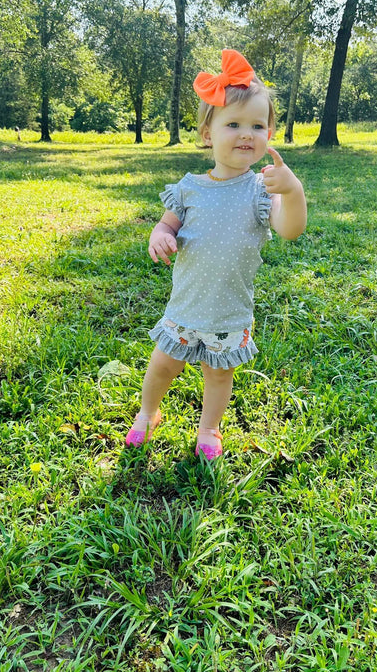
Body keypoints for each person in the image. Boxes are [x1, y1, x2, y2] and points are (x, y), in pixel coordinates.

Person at [126, 49, 307, 459]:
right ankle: (147, 413)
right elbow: (167, 223)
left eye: (258, 125)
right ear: (208, 134)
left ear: (269, 135)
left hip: (229, 313)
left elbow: (290, 230)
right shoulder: (189, 187)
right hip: (185, 308)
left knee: (219, 375)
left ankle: (209, 428)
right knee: (162, 366)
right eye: (234, 124)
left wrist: (293, 190)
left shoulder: (263, 190)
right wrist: (159, 234)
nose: (247, 134)